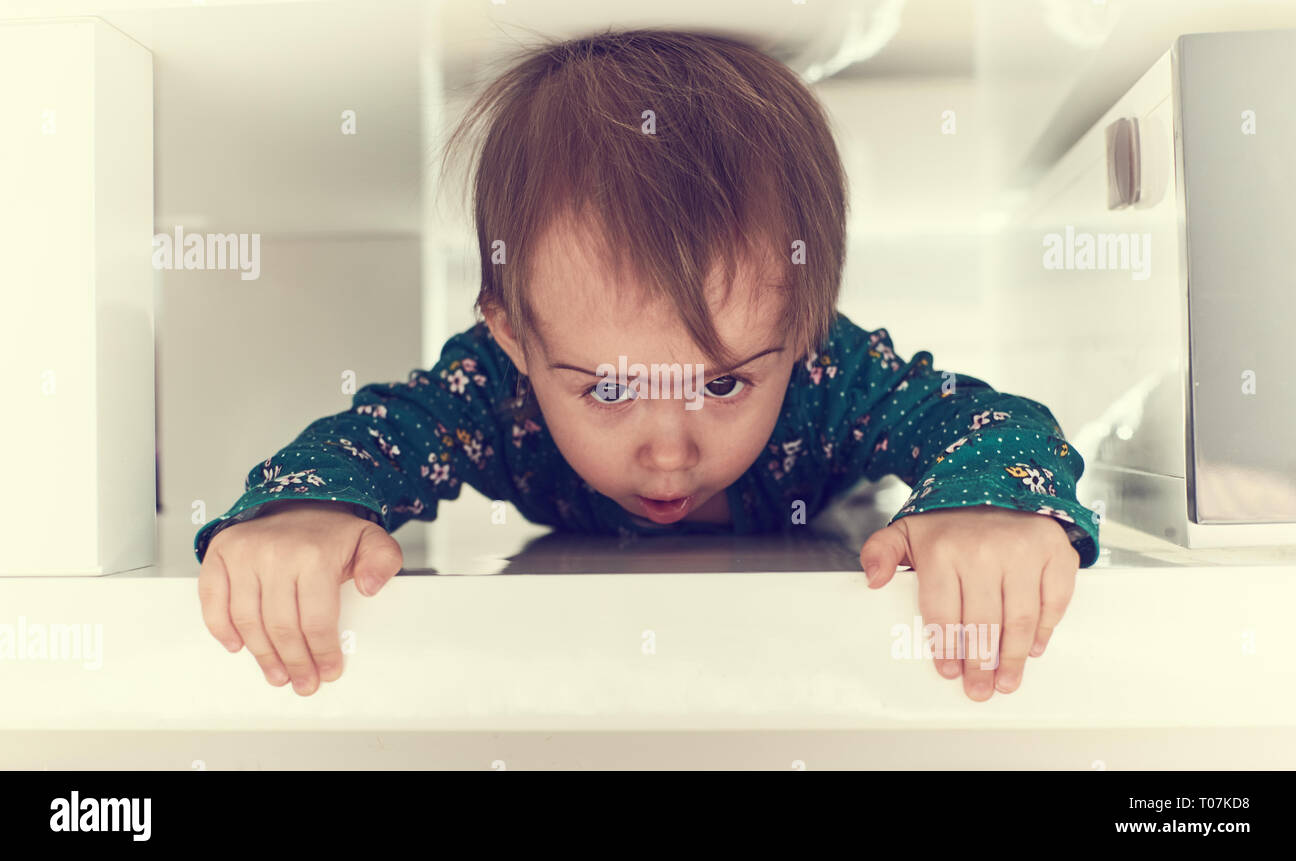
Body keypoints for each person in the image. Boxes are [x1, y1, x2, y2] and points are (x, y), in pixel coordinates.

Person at [196, 29, 1097, 701]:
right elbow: (382, 435)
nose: (670, 452)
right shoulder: (496, 392)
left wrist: (985, 504)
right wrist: (304, 513)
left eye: (724, 382)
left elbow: (991, 425)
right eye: (612, 388)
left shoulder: (829, 375)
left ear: (802, 325)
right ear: (515, 338)